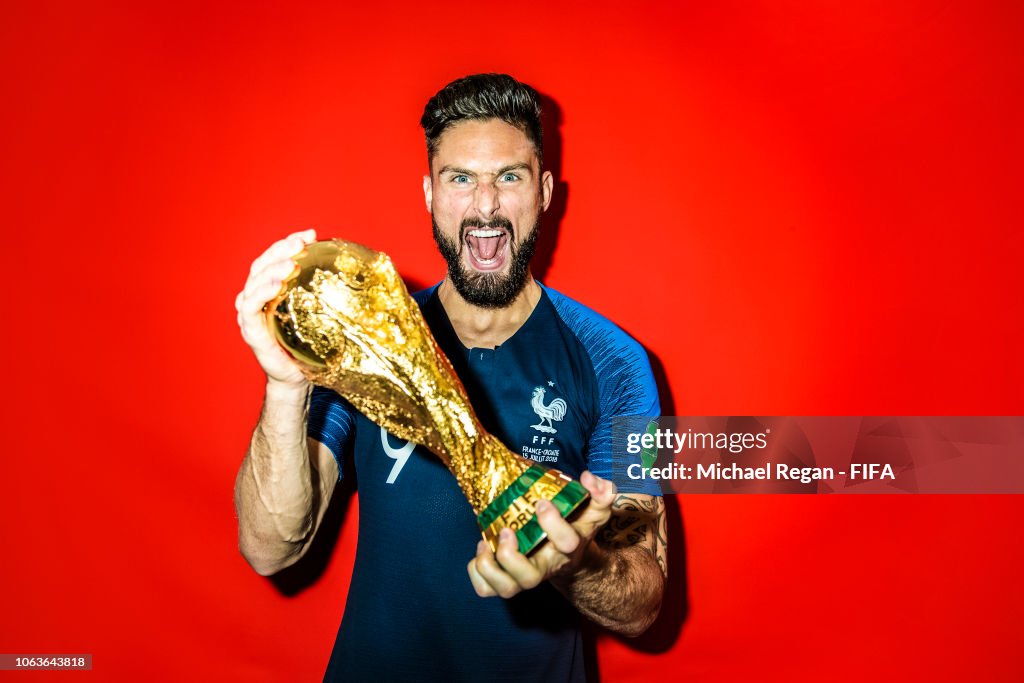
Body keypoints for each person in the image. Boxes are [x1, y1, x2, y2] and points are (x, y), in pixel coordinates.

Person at [234, 74, 667, 681]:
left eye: (508, 177)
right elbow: (269, 548)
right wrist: (285, 386)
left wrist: (572, 563)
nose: (485, 206)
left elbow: (644, 596)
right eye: (461, 178)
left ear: (543, 191)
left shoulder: (612, 360)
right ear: (430, 193)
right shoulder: (367, 339)